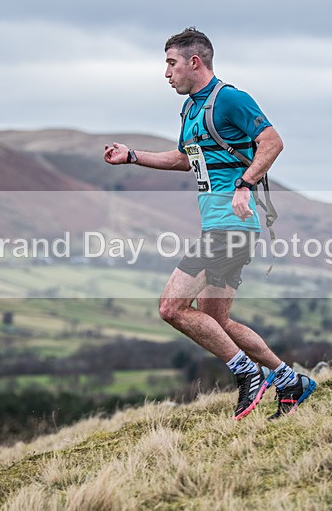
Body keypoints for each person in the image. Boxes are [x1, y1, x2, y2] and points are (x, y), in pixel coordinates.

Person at [103, 27, 316, 420]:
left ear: (194, 62)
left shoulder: (229, 99)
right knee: (216, 321)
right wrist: (132, 155)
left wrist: (244, 184)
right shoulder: (190, 109)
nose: (166, 74)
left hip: (230, 228)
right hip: (219, 227)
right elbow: (185, 159)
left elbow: (272, 142)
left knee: (171, 307)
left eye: (171, 63)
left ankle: (247, 373)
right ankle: (290, 380)